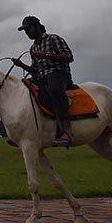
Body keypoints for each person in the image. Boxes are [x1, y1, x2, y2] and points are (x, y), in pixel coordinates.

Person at [12, 15, 75, 147]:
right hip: (41, 77)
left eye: (28, 29)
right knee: (26, 91)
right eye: (25, 30)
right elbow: (35, 69)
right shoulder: (33, 48)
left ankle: (67, 131)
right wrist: (21, 65)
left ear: (37, 26)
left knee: (55, 90)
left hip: (58, 74)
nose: (27, 32)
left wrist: (46, 56)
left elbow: (69, 57)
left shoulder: (53, 38)